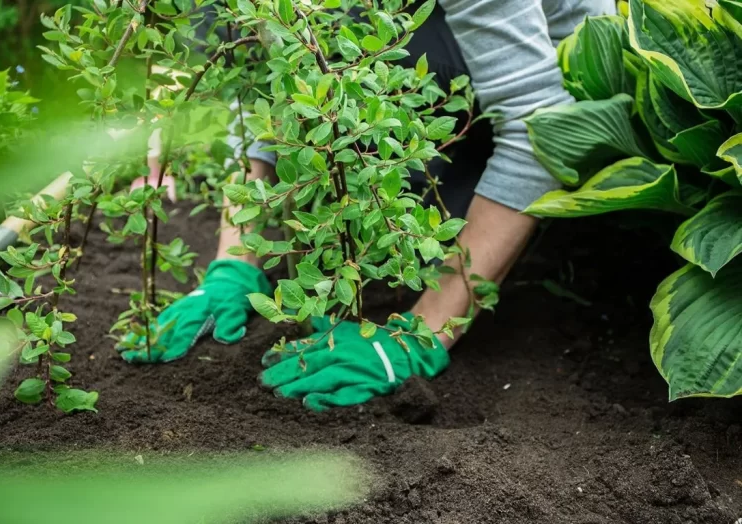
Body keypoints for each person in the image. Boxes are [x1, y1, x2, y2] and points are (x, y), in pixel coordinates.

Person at [119, 0, 616, 411]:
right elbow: (263, 92)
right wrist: (234, 261)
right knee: (311, 51)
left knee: (427, 209)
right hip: (429, 88)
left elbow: (541, 131)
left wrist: (424, 331)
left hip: (558, 93)